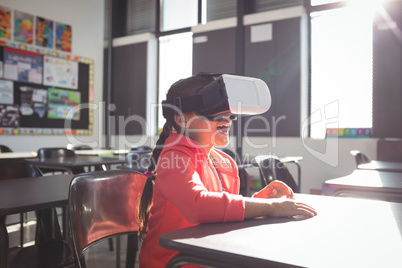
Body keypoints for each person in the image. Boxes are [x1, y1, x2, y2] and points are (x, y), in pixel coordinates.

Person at [138, 74, 317, 268]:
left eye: (229, 114)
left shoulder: (225, 162)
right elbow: (198, 205)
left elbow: (222, 214)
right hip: (173, 261)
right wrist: (271, 207)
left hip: (208, 255)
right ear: (181, 119)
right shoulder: (173, 157)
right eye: (213, 112)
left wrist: (259, 200)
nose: (226, 120)